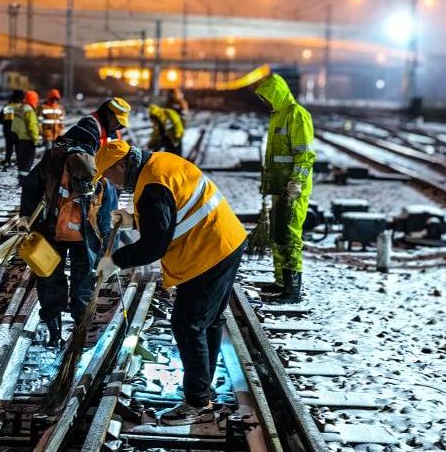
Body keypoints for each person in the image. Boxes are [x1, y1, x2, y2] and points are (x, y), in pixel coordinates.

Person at [94, 140, 248, 426]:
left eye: (108, 176)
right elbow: (171, 211)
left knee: (188, 324)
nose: (110, 183)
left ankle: (197, 403)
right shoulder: (158, 164)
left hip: (209, 250)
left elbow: (154, 246)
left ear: (120, 165)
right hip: (225, 239)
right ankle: (201, 389)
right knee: (208, 321)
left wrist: (116, 260)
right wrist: (134, 221)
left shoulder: (151, 187)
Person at [20, 143, 118, 346]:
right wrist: (25, 216)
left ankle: (80, 330)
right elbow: (30, 188)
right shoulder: (50, 170)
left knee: (83, 283)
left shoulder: (104, 183)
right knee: (49, 281)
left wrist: (108, 254)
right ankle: (54, 333)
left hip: (85, 237)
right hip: (51, 232)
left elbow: (108, 221)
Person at [255, 73, 315, 301]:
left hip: (292, 190)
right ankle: (281, 281)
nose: (266, 102)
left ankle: (293, 289)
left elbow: (305, 156)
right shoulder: (278, 116)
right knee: (278, 236)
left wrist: (295, 186)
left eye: (268, 97)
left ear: (277, 94)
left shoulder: (297, 115)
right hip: (278, 188)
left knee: (290, 237)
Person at [58, 97, 131, 154]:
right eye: (116, 120)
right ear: (107, 114)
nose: (117, 125)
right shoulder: (89, 124)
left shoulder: (115, 131)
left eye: (120, 122)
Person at [12, 90, 40, 184]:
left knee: (21, 161)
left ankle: (21, 179)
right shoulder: (29, 111)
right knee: (28, 162)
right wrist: (36, 139)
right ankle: (24, 182)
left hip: (18, 139)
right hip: (28, 140)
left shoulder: (20, 108)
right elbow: (32, 126)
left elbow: (14, 124)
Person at [0, 90, 24, 170]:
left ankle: (7, 161)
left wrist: (7, 123)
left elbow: (0, 120)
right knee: (18, 146)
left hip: (8, 130)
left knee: (9, 147)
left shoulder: (7, 106)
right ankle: (19, 161)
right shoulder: (23, 107)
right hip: (18, 130)